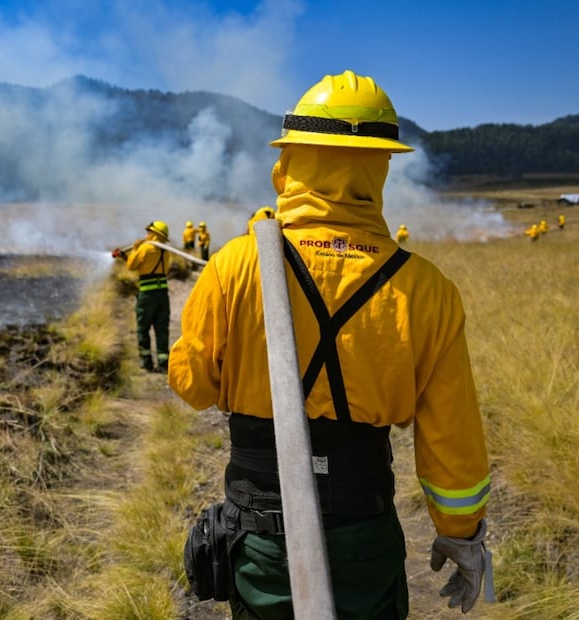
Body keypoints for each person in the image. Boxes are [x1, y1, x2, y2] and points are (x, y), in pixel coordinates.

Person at [169, 70, 491, 618]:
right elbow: (451, 437)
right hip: (363, 533)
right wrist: (460, 534)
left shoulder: (234, 266)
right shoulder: (428, 289)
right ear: (381, 166)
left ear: (289, 163)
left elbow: (194, 387)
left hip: (261, 535)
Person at [116, 221, 172, 372]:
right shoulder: (165, 251)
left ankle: (146, 362)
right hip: (163, 295)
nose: (146, 235)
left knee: (143, 328)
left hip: (147, 295)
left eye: (148, 232)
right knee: (162, 329)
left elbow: (132, 265)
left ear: (154, 234)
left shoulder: (145, 248)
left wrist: (135, 248)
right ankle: (163, 363)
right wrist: (123, 256)